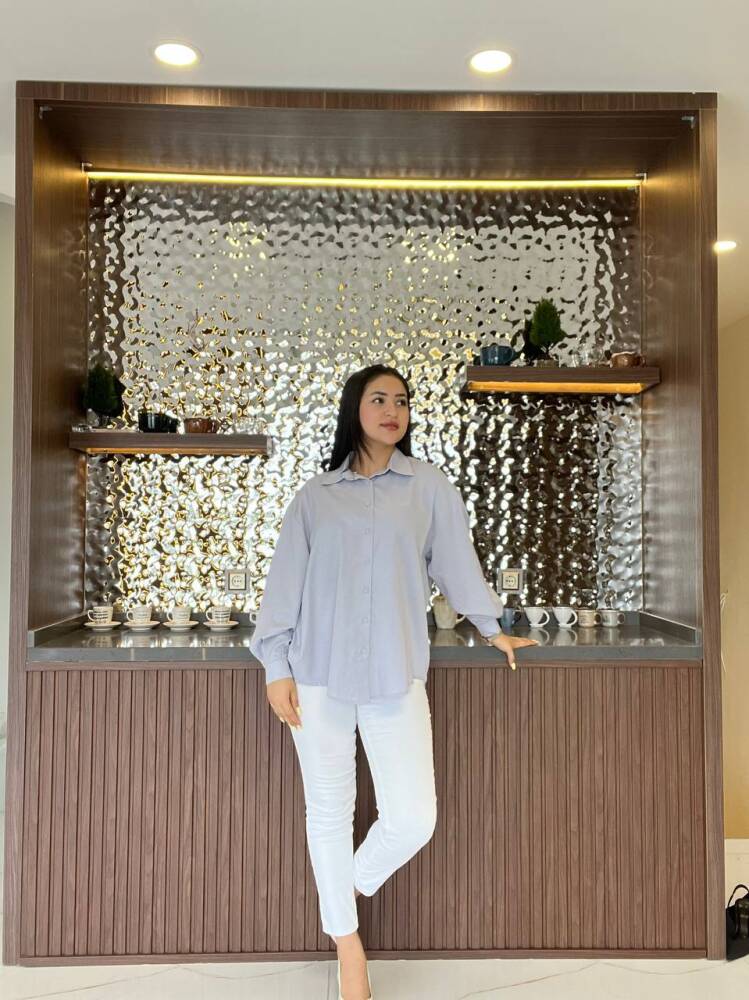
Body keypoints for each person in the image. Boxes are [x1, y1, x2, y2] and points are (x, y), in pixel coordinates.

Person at [249, 363, 537, 1000]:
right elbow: (284, 586)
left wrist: (493, 627)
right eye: (379, 399)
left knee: (413, 818)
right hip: (315, 672)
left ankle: (341, 890)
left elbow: (458, 565)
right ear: (355, 408)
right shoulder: (315, 497)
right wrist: (276, 668)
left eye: (402, 401)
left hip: (395, 671)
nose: (392, 410)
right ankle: (348, 948)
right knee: (328, 810)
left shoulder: (428, 488)